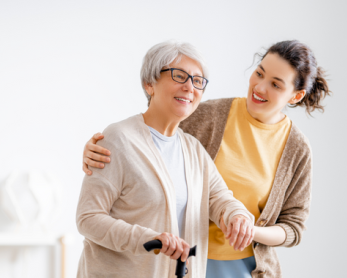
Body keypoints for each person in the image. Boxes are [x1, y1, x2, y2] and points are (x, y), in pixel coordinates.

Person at [82, 40, 331, 277]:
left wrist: (242, 222)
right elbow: (146, 132)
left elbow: (221, 197)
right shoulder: (206, 115)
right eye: (259, 73)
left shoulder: (195, 149)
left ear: (295, 95)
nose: (261, 87)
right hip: (166, 261)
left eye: (276, 84)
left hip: (221, 264)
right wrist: (99, 144)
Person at [76, 41, 255, 278]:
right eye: (179, 76)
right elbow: (88, 218)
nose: (190, 87)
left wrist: (237, 216)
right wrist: (148, 239)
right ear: (149, 83)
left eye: (198, 81)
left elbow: (220, 198)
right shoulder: (117, 139)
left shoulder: (194, 150)